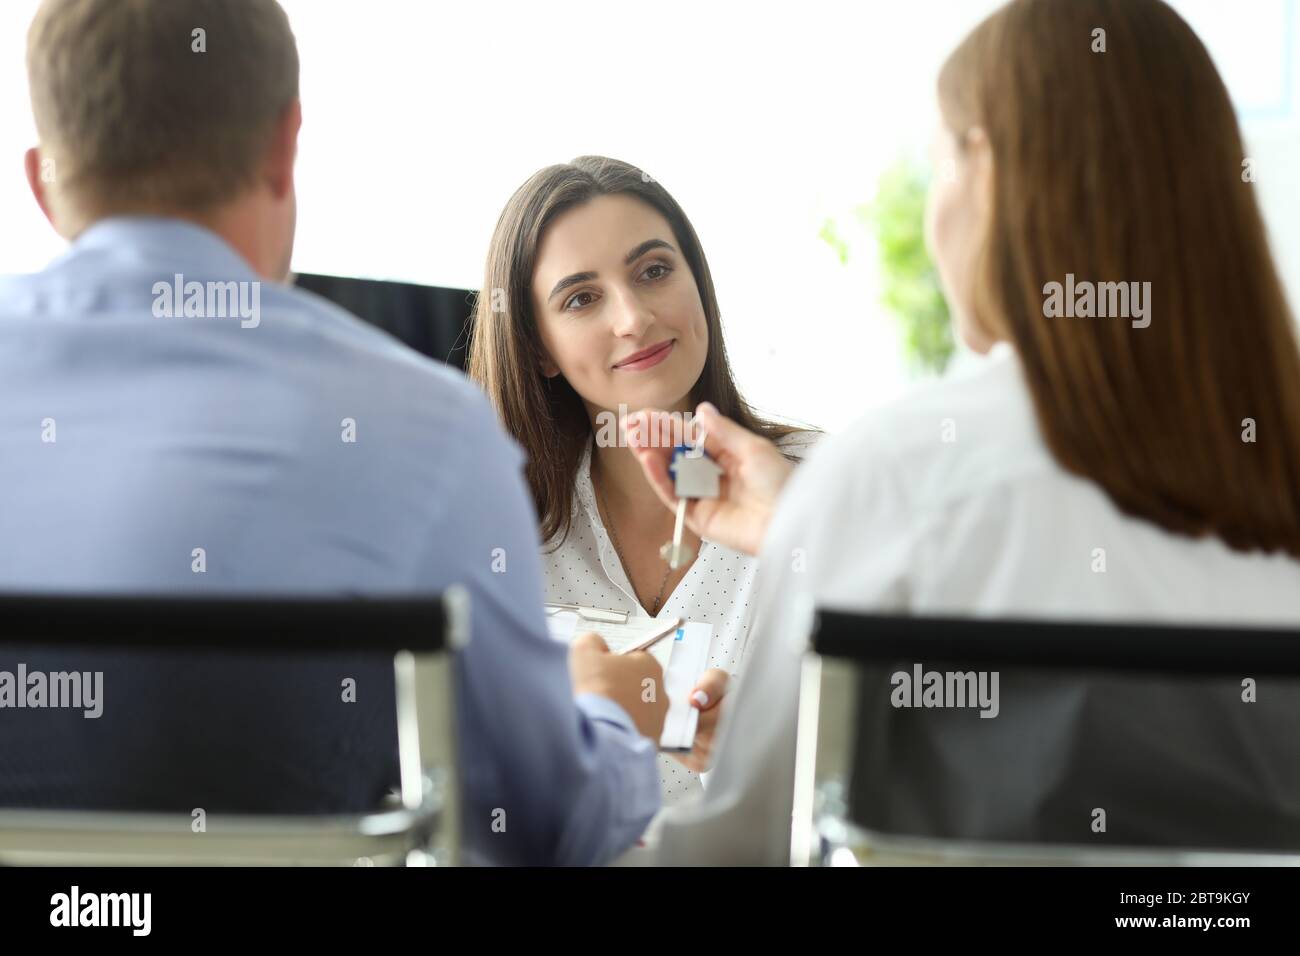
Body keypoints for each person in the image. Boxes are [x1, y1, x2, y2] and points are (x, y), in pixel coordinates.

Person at [628, 0, 1300, 863]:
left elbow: (743, 849)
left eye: (940, 155)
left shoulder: (898, 470)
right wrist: (813, 524)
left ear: (986, 167)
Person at [0, 0, 664, 866]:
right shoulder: (430, 432)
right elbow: (541, 826)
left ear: (42, 180)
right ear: (286, 146)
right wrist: (607, 714)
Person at [469, 156, 818, 810]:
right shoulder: (502, 537)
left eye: (654, 271)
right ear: (538, 348)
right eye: (581, 298)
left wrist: (773, 735)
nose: (632, 318)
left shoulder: (819, 486)